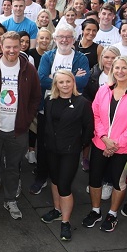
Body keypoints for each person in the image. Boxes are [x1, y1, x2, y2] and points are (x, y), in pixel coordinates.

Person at [83, 55, 127, 232]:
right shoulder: (104, 90)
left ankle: (112, 214)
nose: (120, 71)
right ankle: (95, 211)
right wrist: (104, 138)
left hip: (125, 148)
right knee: (94, 179)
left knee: (119, 182)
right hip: (100, 143)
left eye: (124, 68)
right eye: (116, 68)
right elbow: (95, 114)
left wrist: (115, 145)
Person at [0, 32, 40, 219]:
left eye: (16, 46)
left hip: (18, 130)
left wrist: (26, 119)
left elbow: (35, 98)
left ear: (21, 47)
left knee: (14, 166)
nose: (12, 50)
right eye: (8, 46)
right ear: (1, 46)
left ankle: (10, 199)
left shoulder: (29, 69)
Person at [38, 70, 94, 241]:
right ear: (55, 84)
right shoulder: (49, 101)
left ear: (73, 83)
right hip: (52, 149)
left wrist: (77, 145)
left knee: (64, 186)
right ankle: (57, 209)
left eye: (68, 82)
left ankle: (65, 222)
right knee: (54, 180)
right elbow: (46, 124)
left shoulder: (82, 103)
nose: (64, 85)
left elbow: (88, 129)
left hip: (70, 151)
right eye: (60, 82)